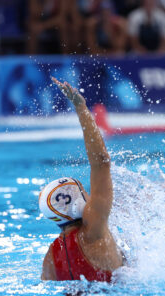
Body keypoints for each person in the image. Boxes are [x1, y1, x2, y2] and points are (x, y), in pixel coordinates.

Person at [39, 77, 124, 281]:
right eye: (84, 191)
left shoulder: (49, 259)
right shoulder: (94, 229)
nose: (89, 193)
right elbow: (101, 162)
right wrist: (81, 107)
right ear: (78, 203)